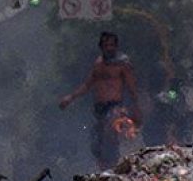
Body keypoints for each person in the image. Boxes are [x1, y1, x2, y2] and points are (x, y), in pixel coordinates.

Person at [59, 31, 141, 170]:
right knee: (97, 142)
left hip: (115, 107)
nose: (109, 48)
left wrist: (136, 106)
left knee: (111, 136)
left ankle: (117, 166)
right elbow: (88, 84)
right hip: (100, 109)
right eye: (106, 45)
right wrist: (70, 98)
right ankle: (106, 169)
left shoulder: (122, 64)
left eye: (112, 45)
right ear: (101, 47)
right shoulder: (98, 64)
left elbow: (132, 86)